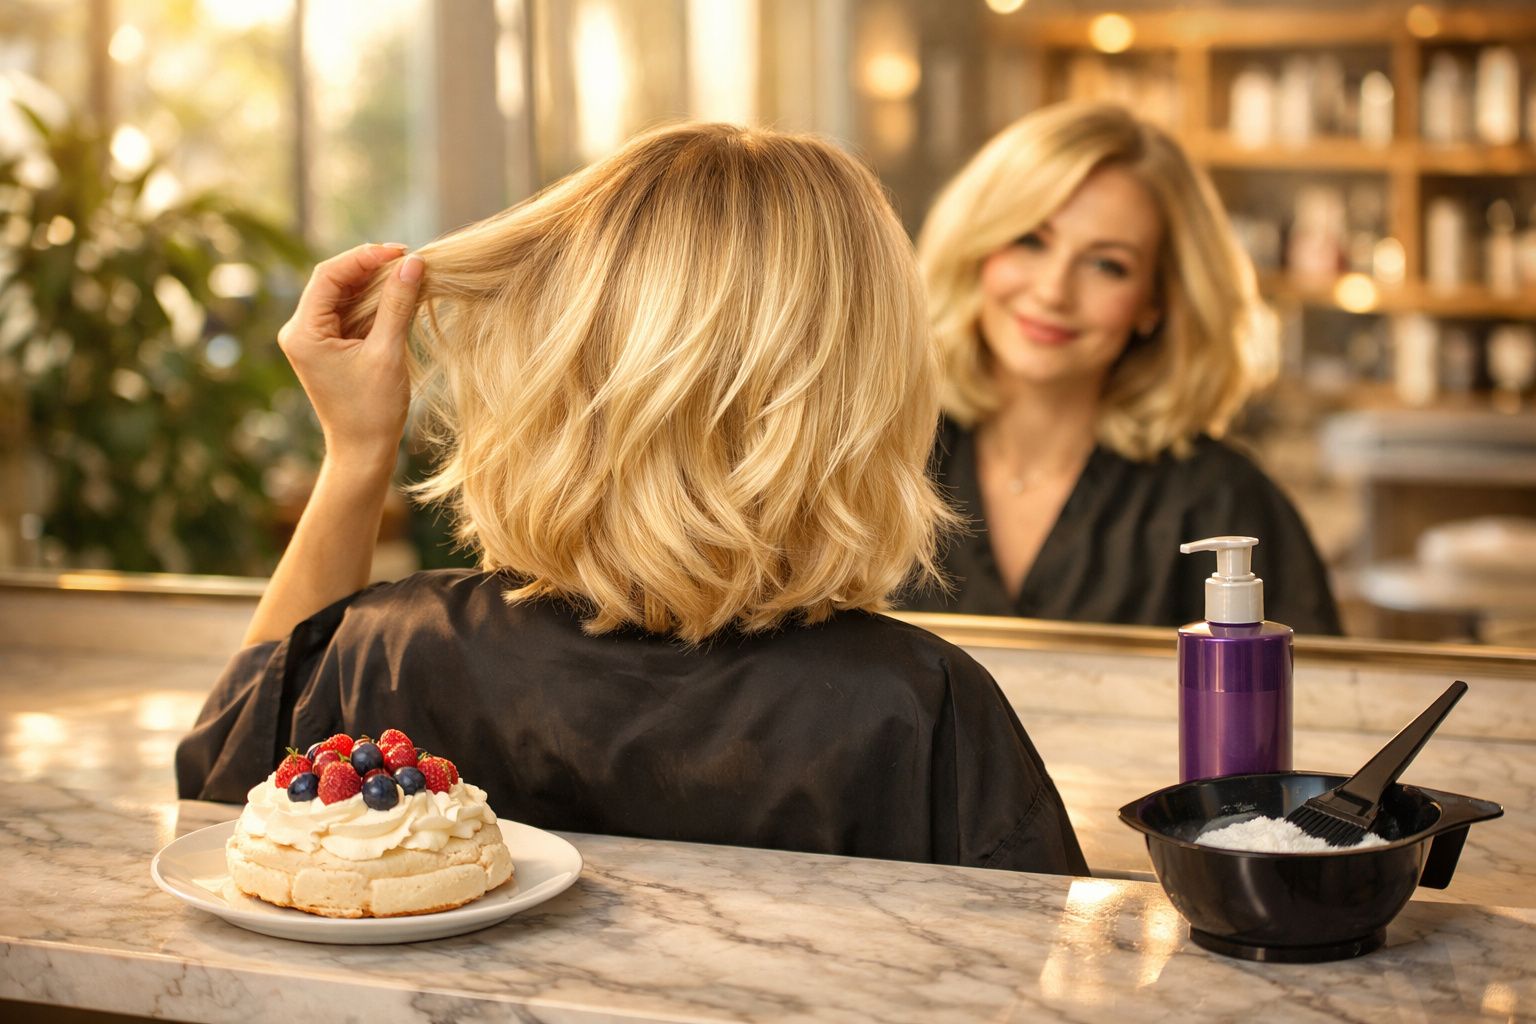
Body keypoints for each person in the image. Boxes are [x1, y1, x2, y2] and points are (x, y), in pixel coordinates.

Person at [176, 123, 1087, 876]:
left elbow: (220, 788)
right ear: (859, 397)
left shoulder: (392, 650)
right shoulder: (918, 708)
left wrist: (356, 451)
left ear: (558, 365)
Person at [903, 102, 1342, 634]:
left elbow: (1309, 708)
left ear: (1154, 302)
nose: (1052, 291)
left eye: (1106, 264)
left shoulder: (1225, 505)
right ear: (976, 249)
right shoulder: (882, 466)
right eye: (1029, 240)